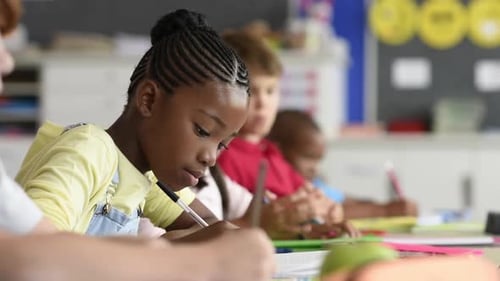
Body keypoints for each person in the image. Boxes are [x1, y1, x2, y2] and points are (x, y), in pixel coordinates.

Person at [0, 3, 275, 281]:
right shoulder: (87, 151)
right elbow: (39, 254)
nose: (211, 158)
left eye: (222, 145)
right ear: (149, 100)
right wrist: (174, 255)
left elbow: (212, 229)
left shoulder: (149, 178)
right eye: (203, 131)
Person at [216, 30, 360, 238]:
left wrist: (327, 211)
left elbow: (308, 203)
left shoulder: (272, 153)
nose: (262, 103)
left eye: (271, 90)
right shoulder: (223, 157)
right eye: (251, 91)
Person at [268, 109, 418, 219]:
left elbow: (341, 199)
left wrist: (373, 204)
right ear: (278, 151)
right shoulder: (281, 189)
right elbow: (331, 211)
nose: (315, 168)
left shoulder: (314, 183)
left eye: (319, 160)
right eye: (308, 157)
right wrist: (384, 211)